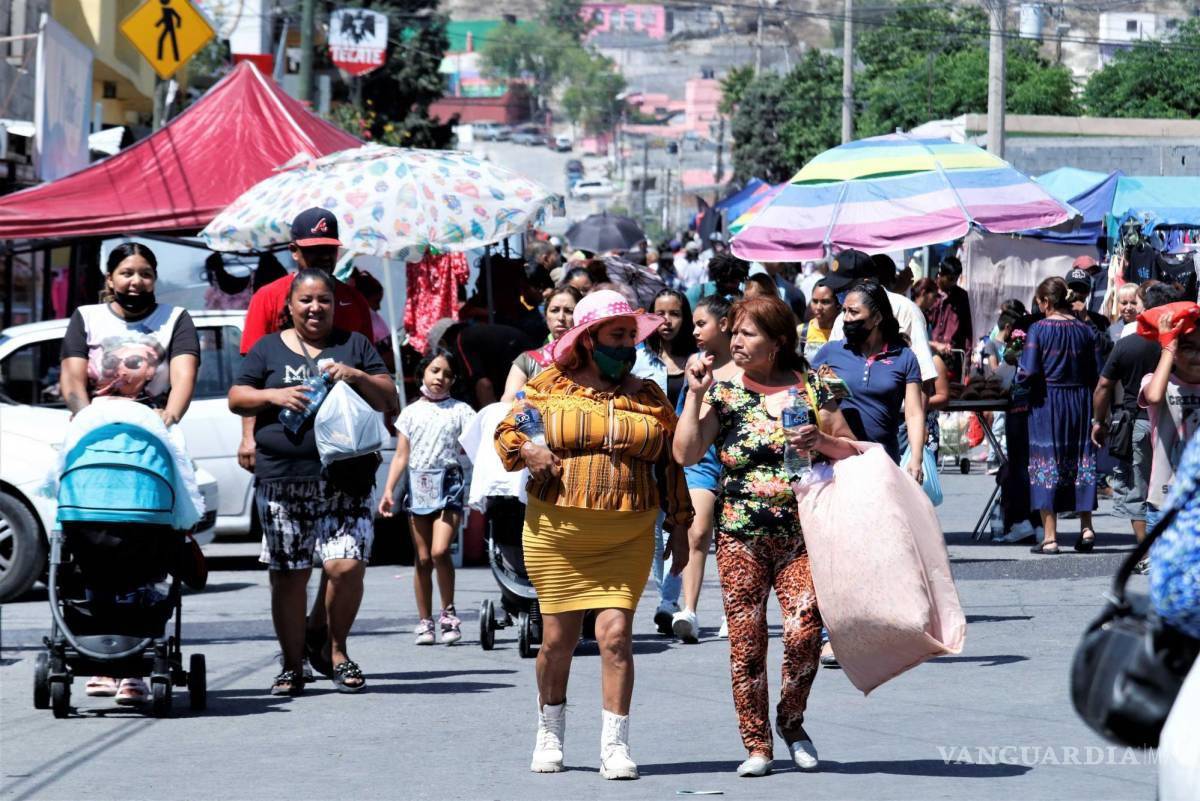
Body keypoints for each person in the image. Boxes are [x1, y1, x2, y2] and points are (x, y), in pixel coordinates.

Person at [494, 289, 693, 780]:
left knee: (616, 637)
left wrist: (680, 523)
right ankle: (549, 730)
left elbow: (671, 464)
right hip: (558, 534)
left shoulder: (648, 395)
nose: (626, 346)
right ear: (587, 339)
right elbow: (506, 432)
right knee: (556, 642)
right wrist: (529, 450)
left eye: (630, 337)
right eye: (616, 336)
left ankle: (615, 746)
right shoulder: (548, 386)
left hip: (628, 534)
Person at [674, 295, 859, 777]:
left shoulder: (815, 385)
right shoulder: (724, 394)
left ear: (777, 342)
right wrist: (694, 395)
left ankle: (791, 722)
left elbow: (852, 448)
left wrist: (821, 441)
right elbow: (686, 454)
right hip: (740, 537)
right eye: (733, 331)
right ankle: (757, 743)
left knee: (803, 632)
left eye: (747, 333)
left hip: (802, 534)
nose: (735, 341)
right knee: (747, 643)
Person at [229, 268, 395, 695]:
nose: (315, 307)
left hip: (347, 478)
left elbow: (388, 397)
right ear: (290, 306)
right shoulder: (267, 348)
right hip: (284, 479)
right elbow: (237, 397)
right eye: (306, 300)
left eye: (324, 299)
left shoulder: (354, 345)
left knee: (347, 565)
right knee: (290, 575)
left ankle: (335, 651)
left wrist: (356, 376)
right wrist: (273, 395)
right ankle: (291, 664)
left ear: (334, 305)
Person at [61, 242, 200, 705]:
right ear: (110, 278)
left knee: (149, 548)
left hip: (152, 440)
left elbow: (183, 378)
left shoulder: (175, 319)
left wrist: (166, 418)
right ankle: (99, 657)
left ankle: (137, 664)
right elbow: (72, 380)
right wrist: (89, 419)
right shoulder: (86, 318)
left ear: (154, 278)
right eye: (126, 272)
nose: (135, 281)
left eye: (144, 273)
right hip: (95, 438)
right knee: (91, 543)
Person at [379, 349, 476, 646]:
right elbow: (401, 455)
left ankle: (448, 613)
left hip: (449, 485)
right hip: (418, 485)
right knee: (422, 558)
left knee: (439, 551)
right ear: (423, 371)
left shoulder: (461, 411)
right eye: (435, 370)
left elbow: (477, 446)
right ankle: (425, 621)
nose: (440, 378)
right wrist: (388, 490)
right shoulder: (410, 413)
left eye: (447, 374)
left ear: (453, 380)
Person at [1092, 283, 1179, 571]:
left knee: (1138, 489)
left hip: (1137, 422)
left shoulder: (1128, 344)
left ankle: (1147, 554)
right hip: (1178, 422)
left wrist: (1098, 421)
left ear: (1146, 308)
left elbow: (1103, 386)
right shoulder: (1182, 343)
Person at [671, 294, 738, 643]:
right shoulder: (695, 365)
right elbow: (685, 414)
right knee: (697, 532)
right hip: (701, 460)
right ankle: (689, 610)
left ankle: (733, 610)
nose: (694, 331)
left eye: (701, 324)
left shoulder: (746, 366)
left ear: (724, 325)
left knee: (732, 539)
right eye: (693, 324)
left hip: (736, 461)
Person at [1019, 277, 1101, 555]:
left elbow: (1029, 371)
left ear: (1046, 301)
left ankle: (1050, 537)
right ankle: (1086, 528)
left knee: (1047, 463)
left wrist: (1017, 383)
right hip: (1080, 401)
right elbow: (1096, 372)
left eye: (1039, 302)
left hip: (1048, 401)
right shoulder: (1085, 330)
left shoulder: (1038, 329)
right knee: (1080, 461)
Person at [632, 289, 697, 635]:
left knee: (687, 527)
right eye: (660, 314)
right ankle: (667, 597)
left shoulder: (697, 359)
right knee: (658, 531)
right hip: (654, 457)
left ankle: (671, 603)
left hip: (691, 455)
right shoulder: (638, 358)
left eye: (675, 313)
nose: (667, 321)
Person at [813, 280, 926, 475]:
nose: (846, 318)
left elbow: (914, 413)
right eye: (844, 311)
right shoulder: (830, 352)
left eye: (854, 312)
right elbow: (807, 398)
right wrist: (828, 387)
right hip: (838, 463)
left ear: (877, 318)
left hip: (884, 463)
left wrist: (916, 458)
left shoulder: (904, 357)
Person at [827, 250, 937, 385]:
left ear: (866, 283)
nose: (839, 295)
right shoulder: (841, 319)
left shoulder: (905, 310)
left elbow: (924, 375)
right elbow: (829, 371)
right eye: (837, 290)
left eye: (844, 289)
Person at [1137, 300, 1200, 536]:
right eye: (1188, 348)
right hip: (1165, 502)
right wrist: (1168, 346)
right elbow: (1153, 396)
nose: (1197, 356)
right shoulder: (1160, 383)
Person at [502, 285, 582, 401]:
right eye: (554, 310)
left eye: (569, 311)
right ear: (545, 316)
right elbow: (508, 402)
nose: (561, 317)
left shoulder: (591, 360)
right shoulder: (527, 361)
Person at [927, 256, 974, 362]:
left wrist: (966, 361)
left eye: (956, 279)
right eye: (950, 279)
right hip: (929, 355)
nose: (953, 283)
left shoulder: (962, 297)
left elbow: (967, 331)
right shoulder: (928, 292)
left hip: (952, 358)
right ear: (940, 274)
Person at [685, 252, 749, 309]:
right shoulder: (696, 292)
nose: (730, 285)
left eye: (736, 281)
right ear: (718, 278)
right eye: (725, 280)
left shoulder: (743, 298)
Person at [799, 279, 839, 364]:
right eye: (815, 301)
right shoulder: (801, 331)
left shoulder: (842, 333)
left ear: (837, 304)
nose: (818, 307)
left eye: (825, 302)